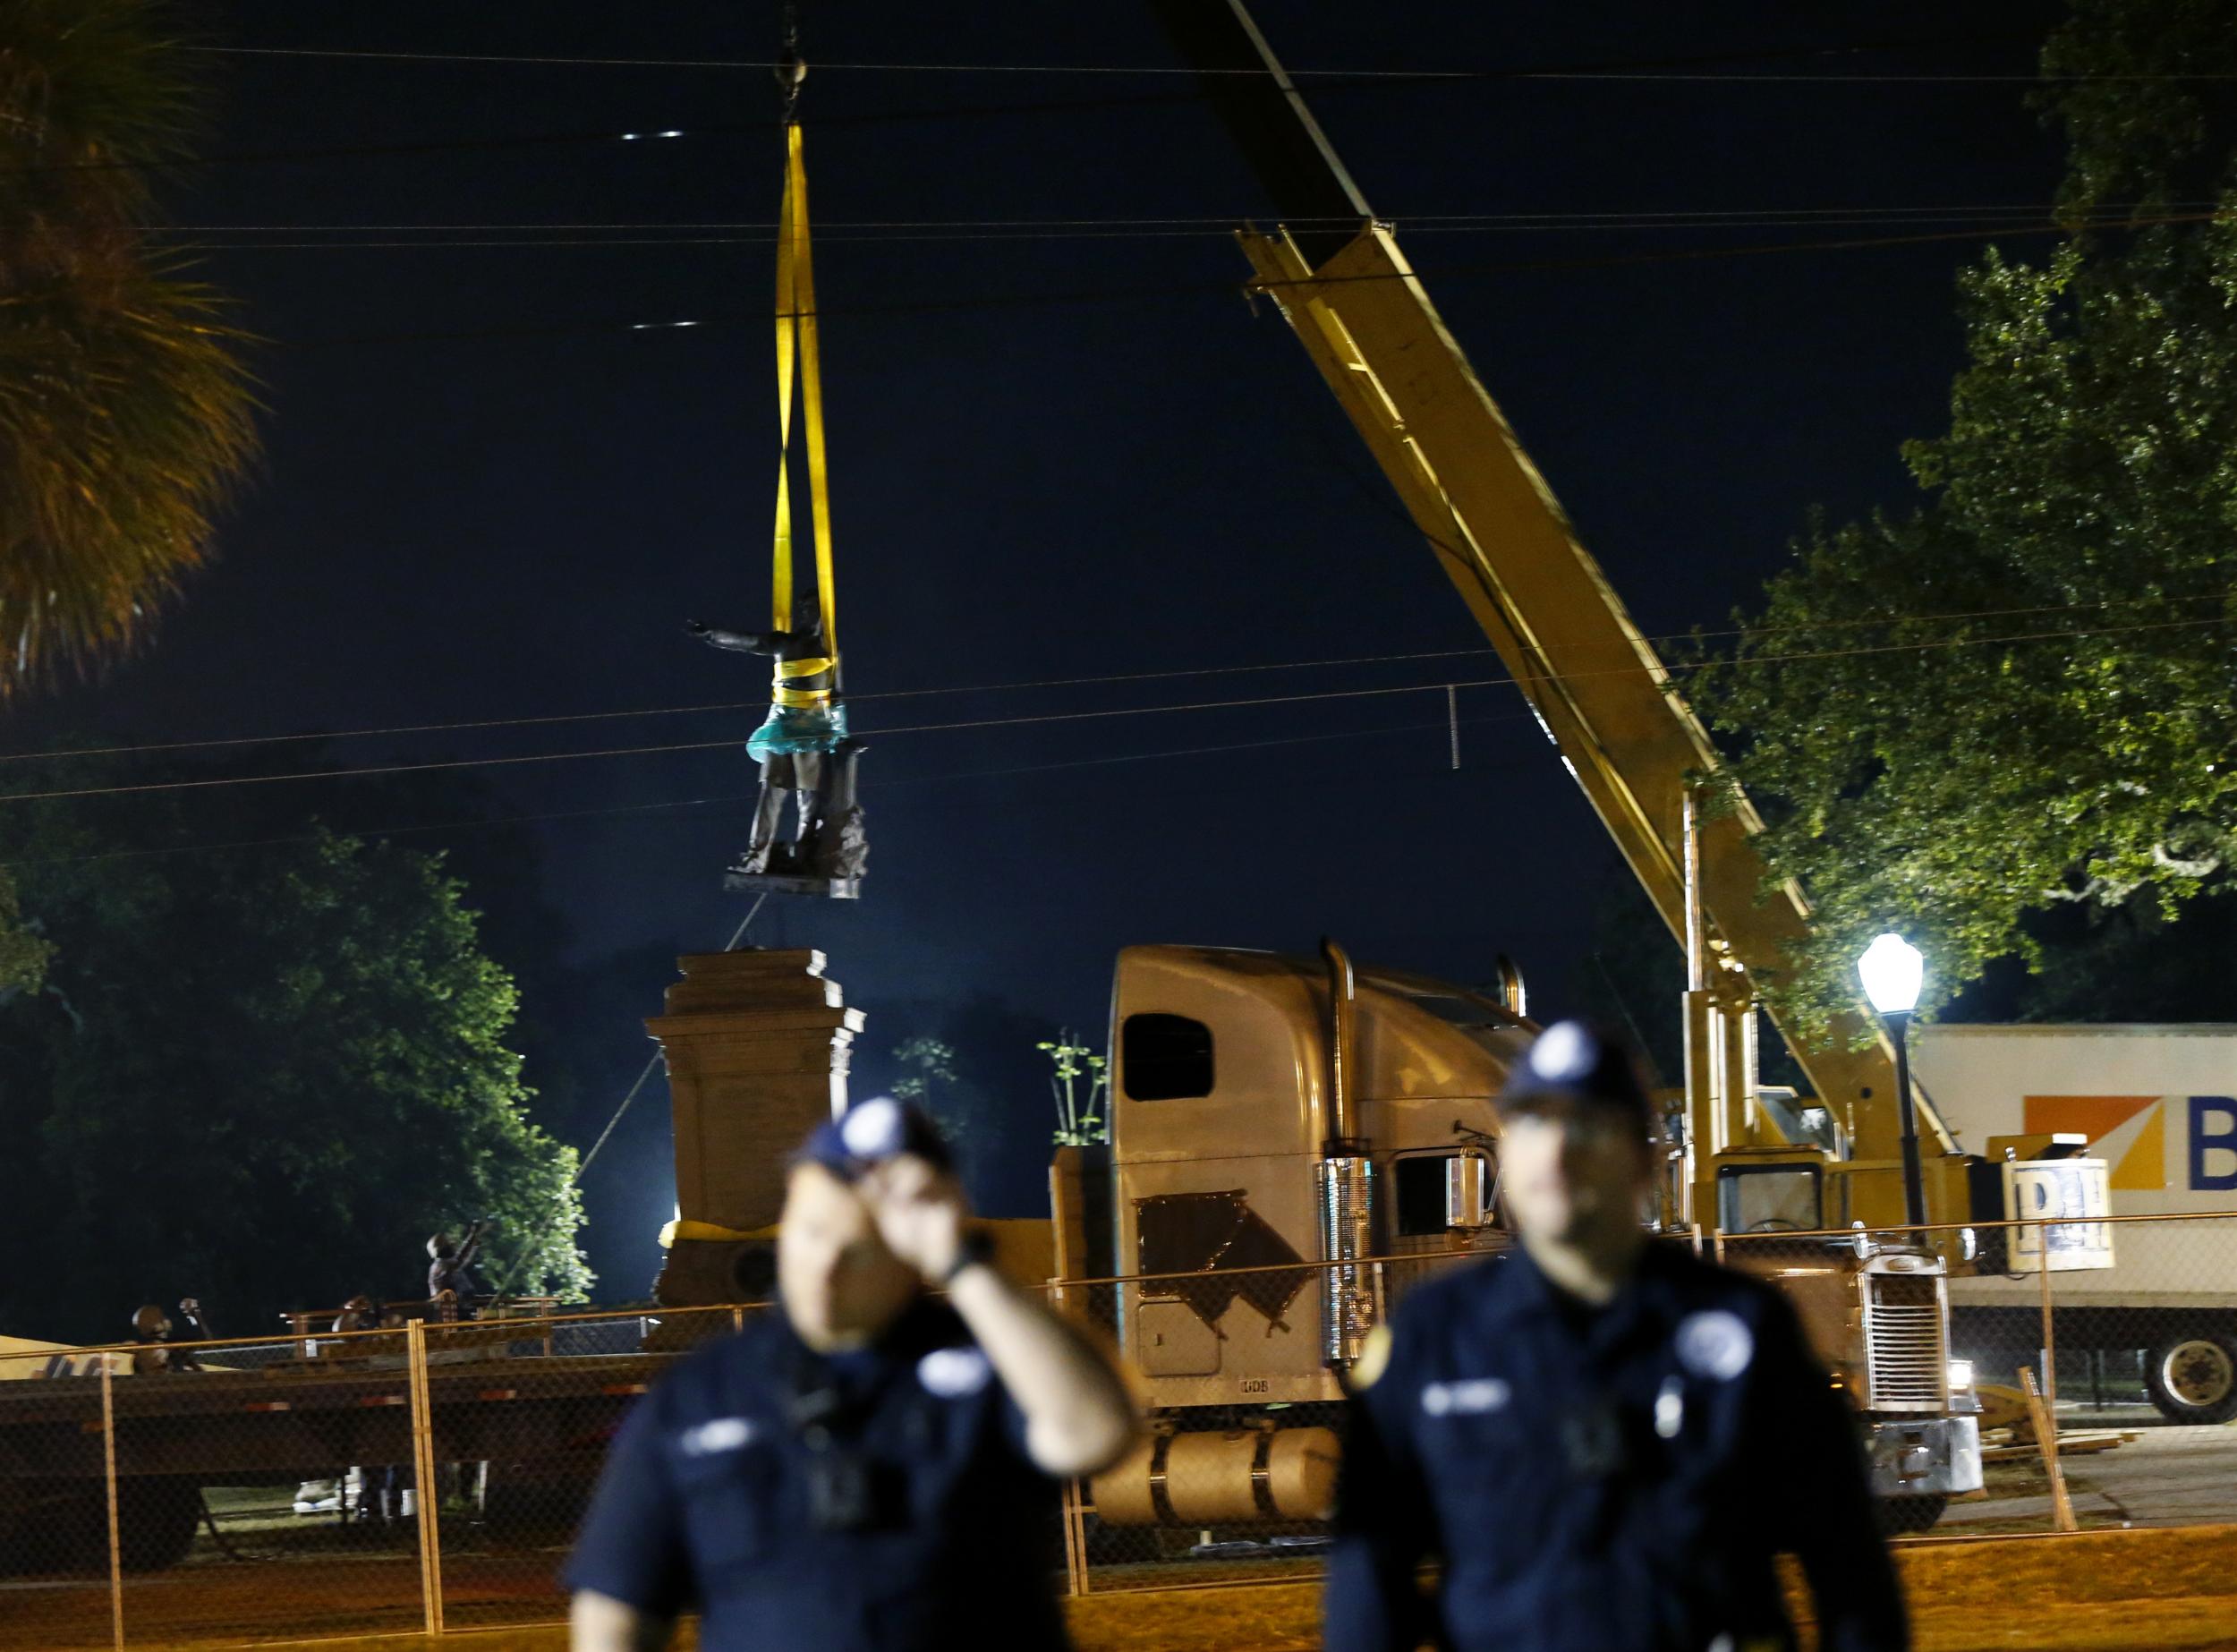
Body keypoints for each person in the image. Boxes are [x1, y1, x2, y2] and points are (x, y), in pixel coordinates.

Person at [1325, 1019, 1907, 1652]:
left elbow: (1847, 1560)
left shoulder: (1740, 1326)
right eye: (1532, 1125)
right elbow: (1369, 1570)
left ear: (1644, 1158)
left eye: (1589, 1126)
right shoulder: (1435, 1337)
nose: (1557, 1151)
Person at [566, 1096, 1138, 1652]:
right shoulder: (703, 1393)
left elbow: (1095, 1434)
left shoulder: (994, 1366)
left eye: (859, 1250)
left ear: (912, 1256)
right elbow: (615, 1611)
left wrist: (965, 1263)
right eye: (811, 1232)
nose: (826, 1268)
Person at [685, 611, 865, 881]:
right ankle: (755, 859)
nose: (809, 617)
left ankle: (806, 858)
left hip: (813, 731)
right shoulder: (786, 643)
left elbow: (836, 695)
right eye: (805, 610)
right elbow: (750, 642)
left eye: (814, 610)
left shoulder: (828, 649)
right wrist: (713, 635)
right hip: (781, 729)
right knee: (771, 795)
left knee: (810, 803)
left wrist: (840, 732)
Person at [427, 1220, 491, 1315]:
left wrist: (474, 1240)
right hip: (452, 1312)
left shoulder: (447, 1264)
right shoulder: (441, 1266)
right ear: (443, 1248)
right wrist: (473, 1235)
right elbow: (461, 1257)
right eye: (450, 1243)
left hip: (461, 1307)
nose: (453, 1245)